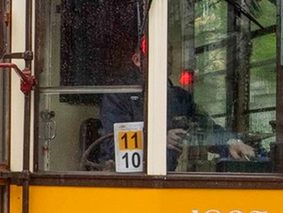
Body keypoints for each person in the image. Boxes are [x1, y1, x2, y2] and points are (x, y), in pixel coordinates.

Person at [99, 39, 254, 171]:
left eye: (168, 49)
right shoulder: (118, 95)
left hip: (169, 178)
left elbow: (206, 127)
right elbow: (114, 144)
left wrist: (232, 143)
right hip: (126, 180)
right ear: (137, 60)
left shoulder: (181, 98)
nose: (165, 54)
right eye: (156, 47)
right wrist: (158, 140)